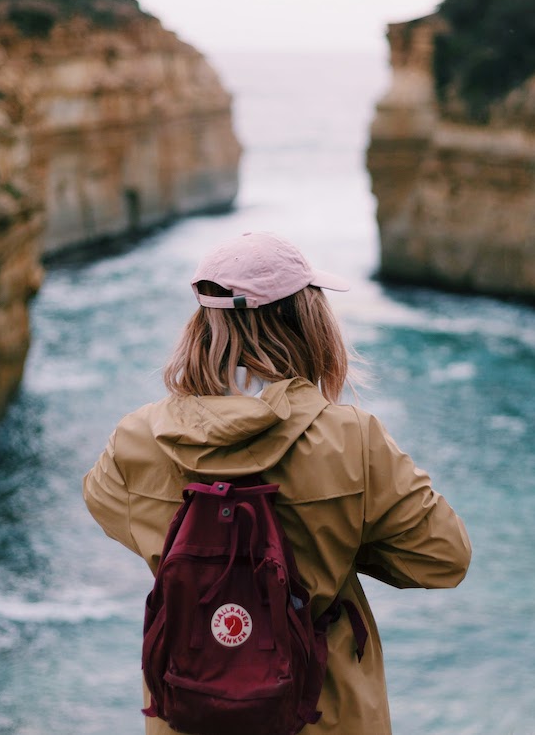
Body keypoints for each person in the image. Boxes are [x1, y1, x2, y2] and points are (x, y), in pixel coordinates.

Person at [83, 231, 472, 734]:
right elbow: (444, 557)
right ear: (308, 322)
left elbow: (111, 508)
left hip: (189, 705)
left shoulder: (136, 439)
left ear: (203, 322)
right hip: (321, 712)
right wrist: (342, 538)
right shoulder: (353, 439)